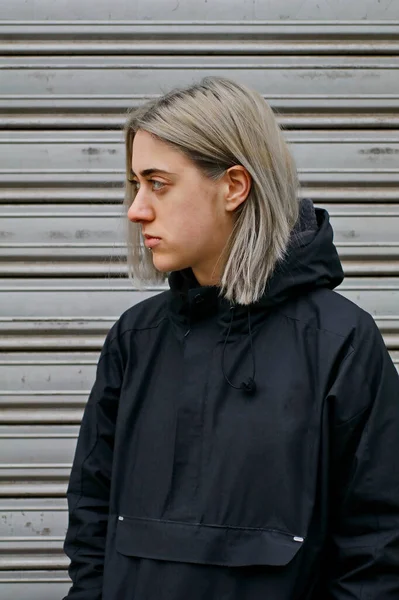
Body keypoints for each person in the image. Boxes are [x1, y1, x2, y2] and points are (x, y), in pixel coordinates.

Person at [62, 77, 399, 600]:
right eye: (135, 185)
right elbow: (91, 520)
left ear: (234, 187)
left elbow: (376, 547)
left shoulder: (340, 343)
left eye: (158, 183)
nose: (136, 210)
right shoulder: (136, 339)